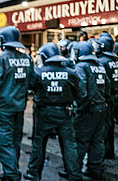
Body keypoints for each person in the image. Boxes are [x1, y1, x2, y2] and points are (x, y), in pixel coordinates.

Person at [24, 43, 82, 181]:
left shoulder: (39, 71)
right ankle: (75, 175)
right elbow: (79, 92)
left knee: (39, 144)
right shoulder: (70, 72)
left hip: (44, 113)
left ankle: (33, 174)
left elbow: (30, 85)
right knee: (69, 145)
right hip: (65, 113)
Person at [0, 26, 34, 181]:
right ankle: (12, 168)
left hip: (3, 107)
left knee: (3, 141)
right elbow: (32, 82)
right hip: (19, 106)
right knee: (15, 139)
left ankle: (11, 174)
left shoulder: (0, 58)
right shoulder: (27, 58)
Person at [73, 41, 111, 180]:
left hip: (87, 110)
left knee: (81, 141)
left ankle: (74, 171)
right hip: (101, 108)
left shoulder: (81, 66)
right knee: (97, 140)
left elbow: (81, 90)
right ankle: (95, 169)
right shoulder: (99, 66)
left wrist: (80, 107)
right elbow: (108, 87)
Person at [95, 34, 118, 159]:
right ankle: (110, 152)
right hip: (115, 97)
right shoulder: (115, 60)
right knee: (110, 126)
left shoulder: (102, 62)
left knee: (103, 128)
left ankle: (102, 154)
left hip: (106, 98)